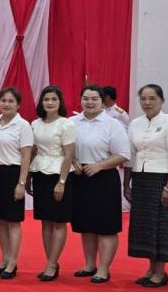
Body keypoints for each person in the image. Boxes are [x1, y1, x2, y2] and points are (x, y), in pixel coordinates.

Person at [125, 84, 168, 288]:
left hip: (161, 180)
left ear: (162, 100)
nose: (147, 103)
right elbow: (131, 156)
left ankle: (161, 273)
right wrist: (127, 184)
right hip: (140, 180)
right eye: (143, 99)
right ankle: (150, 269)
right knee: (145, 227)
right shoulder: (135, 123)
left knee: (160, 226)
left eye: (152, 98)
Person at [70, 85, 131, 283]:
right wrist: (73, 161)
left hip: (103, 178)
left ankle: (103, 269)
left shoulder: (112, 124)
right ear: (80, 100)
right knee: (86, 225)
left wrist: (99, 166)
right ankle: (89, 264)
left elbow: (123, 153)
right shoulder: (72, 122)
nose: (89, 102)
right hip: (79, 177)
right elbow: (65, 148)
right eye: (86, 98)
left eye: (94, 98)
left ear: (102, 101)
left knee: (106, 227)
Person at [0, 88, 33, 280]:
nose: (6, 104)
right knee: (1, 221)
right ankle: (4, 260)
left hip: (14, 174)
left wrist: (21, 183)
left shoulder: (23, 126)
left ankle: (13, 262)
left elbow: (26, 156)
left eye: (11, 101)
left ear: (18, 105)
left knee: (13, 221)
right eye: (3, 100)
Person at [30, 85, 77, 282]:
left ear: (60, 102)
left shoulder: (66, 125)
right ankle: (51, 262)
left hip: (60, 175)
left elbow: (69, 156)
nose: (50, 102)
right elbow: (32, 151)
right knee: (45, 221)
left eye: (54, 99)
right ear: (41, 102)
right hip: (40, 173)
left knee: (58, 222)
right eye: (46, 99)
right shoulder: (35, 124)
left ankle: (51, 264)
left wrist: (62, 182)